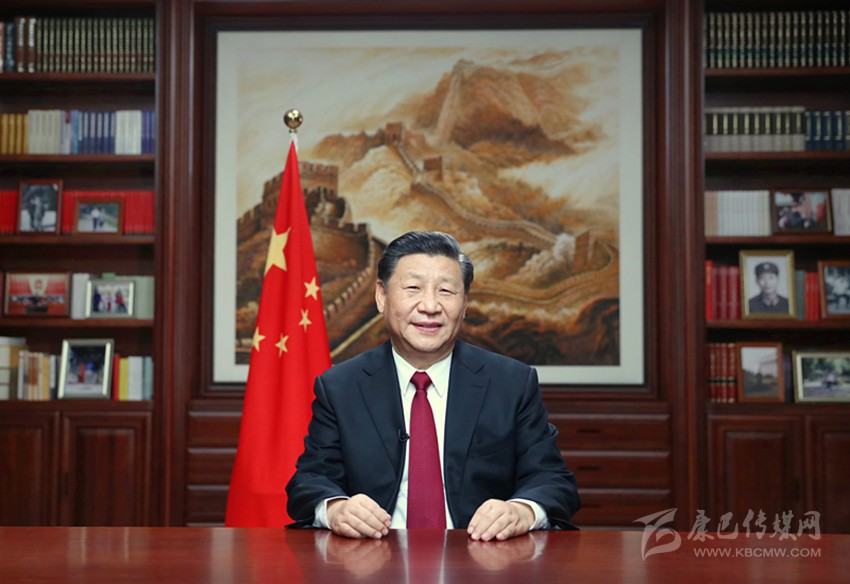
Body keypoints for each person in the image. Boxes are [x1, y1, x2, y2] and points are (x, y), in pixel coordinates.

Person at [286, 231, 580, 541]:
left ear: (464, 304)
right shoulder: (341, 387)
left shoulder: (511, 383)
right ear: (382, 296)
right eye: (413, 288)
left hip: (481, 557)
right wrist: (336, 509)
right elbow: (309, 481)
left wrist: (521, 511)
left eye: (446, 291)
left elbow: (553, 480)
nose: (430, 306)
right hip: (374, 556)